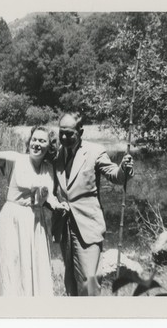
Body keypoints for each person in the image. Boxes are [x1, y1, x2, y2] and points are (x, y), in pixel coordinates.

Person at [0, 126, 67, 296]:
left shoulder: (49, 169)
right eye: (34, 140)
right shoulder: (16, 160)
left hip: (36, 224)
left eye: (42, 141)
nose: (36, 144)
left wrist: (58, 205)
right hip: (12, 221)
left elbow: (49, 197)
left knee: (34, 266)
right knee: (11, 265)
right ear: (29, 141)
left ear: (49, 146)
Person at [52, 113, 134, 296]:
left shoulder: (95, 151)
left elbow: (115, 175)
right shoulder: (57, 153)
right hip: (64, 227)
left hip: (88, 226)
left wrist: (124, 169)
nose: (64, 137)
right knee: (71, 280)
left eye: (69, 133)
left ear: (80, 132)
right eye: (61, 133)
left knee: (90, 281)